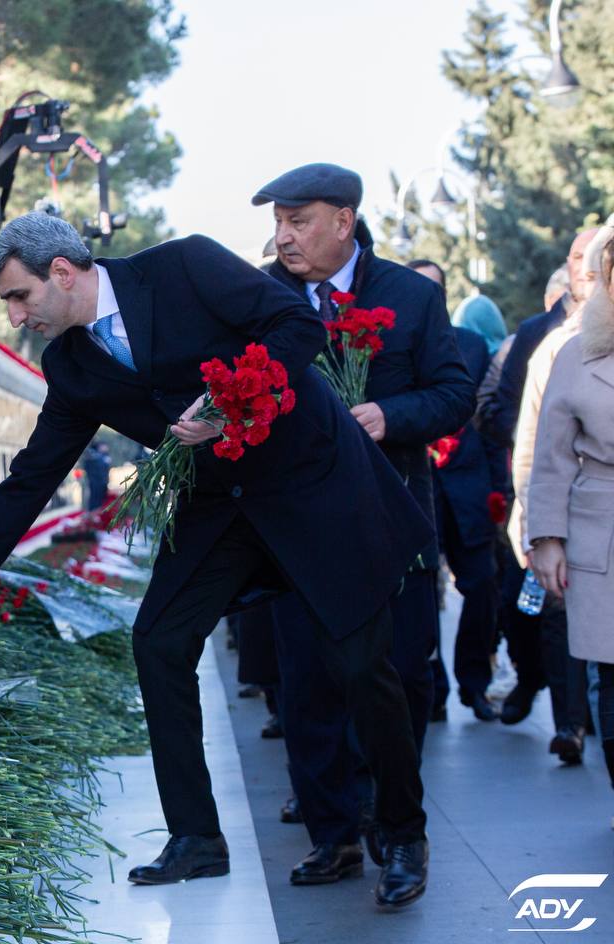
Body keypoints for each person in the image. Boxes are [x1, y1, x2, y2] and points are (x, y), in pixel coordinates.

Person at [0, 209, 435, 908]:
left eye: (19, 295)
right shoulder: (69, 362)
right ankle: (196, 839)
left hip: (314, 485)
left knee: (362, 664)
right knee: (158, 642)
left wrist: (228, 407)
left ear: (62, 272)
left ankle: (401, 834)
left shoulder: (185, 267)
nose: (15, 315)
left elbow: (298, 328)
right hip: (221, 504)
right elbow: (34, 475)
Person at [255, 164, 474, 888]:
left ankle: (400, 829)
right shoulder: (261, 298)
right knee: (306, 685)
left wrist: (388, 416)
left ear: (344, 221)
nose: (283, 236)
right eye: (278, 222)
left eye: (298, 220)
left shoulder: (410, 297)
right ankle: (334, 834)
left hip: (392, 522)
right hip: (296, 532)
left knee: (398, 676)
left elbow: (453, 393)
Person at [512, 227, 609, 764]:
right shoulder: (566, 350)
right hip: (592, 524)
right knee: (603, 664)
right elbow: (540, 451)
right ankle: (575, 729)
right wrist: (540, 534)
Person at [435, 292, 507, 721]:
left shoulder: (472, 346)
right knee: (422, 596)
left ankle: (474, 683)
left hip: (469, 485)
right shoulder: (390, 342)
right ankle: (432, 687)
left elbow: (486, 418)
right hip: (419, 488)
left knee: (481, 586)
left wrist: (499, 488)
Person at [82, 442, 111, 511]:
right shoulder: (93, 457)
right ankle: (93, 514)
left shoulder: (104, 456)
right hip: (95, 482)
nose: (106, 448)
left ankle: (99, 513)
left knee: (102, 500)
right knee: (95, 500)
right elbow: (88, 468)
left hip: (103, 482)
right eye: (103, 446)